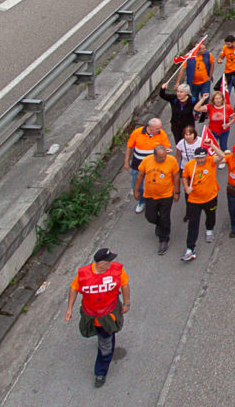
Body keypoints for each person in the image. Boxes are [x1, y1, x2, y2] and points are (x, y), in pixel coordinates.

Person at [65, 248, 130, 388]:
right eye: (108, 261)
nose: (111, 263)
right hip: (91, 315)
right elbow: (74, 289)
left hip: (108, 315)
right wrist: (69, 308)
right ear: (100, 264)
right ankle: (102, 343)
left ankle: (100, 372)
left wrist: (126, 303)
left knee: (106, 345)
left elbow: (125, 286)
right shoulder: (84, 274)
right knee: (102, 338)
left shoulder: (117, 271)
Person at [134, 145, 180, 255]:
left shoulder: (172, 161)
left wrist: (177, 192)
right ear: (154, 156)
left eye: (164, 156)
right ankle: (160, 225)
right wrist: (136, 190)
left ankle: (164, 239)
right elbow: (140, 176)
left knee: (165, 217)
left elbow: (176, 177)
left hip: (166, 195)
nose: (163, 159)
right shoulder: (147, 161)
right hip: (150, 195)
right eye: (160, 157)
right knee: (150, 216)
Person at [181, 147, 225, 261]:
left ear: (206, 156)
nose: (200, 160)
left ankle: (209, 230)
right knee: (193, 224)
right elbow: (184, 177)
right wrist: (186, 187)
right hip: (194, 200)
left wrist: (212, 146)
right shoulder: (190, 165)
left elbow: (222, 156)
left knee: (211, 216)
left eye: (202, 157)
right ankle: (190, 248)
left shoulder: (211, 161)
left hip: (210, 198)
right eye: (198, 158)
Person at [124, 117, 171, 212]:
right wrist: (126, 161)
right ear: (150, 127)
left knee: (154, 184)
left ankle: (154, 202)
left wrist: (166, 151)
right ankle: (142, 201)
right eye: (157, 128)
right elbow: (129, 147)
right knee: (136, 186)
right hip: (138, 164)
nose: (160, 130)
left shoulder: (161, 134)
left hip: (153, 166)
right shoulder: (137, 133)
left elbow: (166, 146)